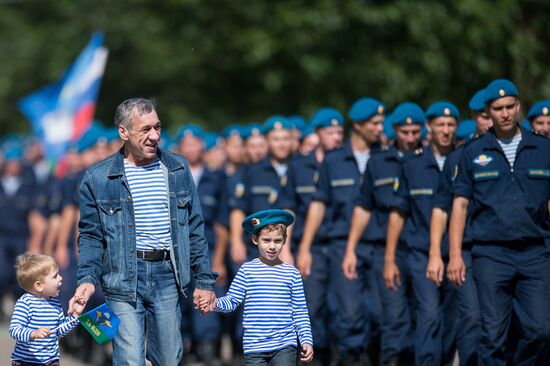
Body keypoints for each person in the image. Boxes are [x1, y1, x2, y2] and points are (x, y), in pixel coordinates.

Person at [70, 98, 217, 366]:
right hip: (122, 278)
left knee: (170, 359)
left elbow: (195, 229)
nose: (154, 136)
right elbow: (91, 235)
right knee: (129, 359)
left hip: (167, 276)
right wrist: (87, 278)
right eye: (145, 130)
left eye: (157, 128)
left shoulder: (177, 169)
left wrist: (205, 281)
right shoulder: (98, 178)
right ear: (123, 132)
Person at [448, 79, 550, 365]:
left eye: (509, 106)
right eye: (497, 108)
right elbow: (460, 205)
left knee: (541, 330)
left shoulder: (542, 149)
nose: (505, 113)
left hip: (534, 252)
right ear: (488, 112)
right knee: (492, 334)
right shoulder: (473, 152)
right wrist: (455, 254)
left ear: (518, 106)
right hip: (491, 254)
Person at [300, 97, 384, 365]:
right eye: (375, 123)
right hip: (342, 245)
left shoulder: (387, 156)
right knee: (349, 314)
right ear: (358, 126)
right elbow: (319, 204)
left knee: (382, 313)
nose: (380, 128)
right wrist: (304, 247)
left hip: (381, 245)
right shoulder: (334, 161)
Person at [342, 101, 423, 366]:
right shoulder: (380, 162)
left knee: (423, 316)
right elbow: (363, 207)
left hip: (423, 247)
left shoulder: (429, 158)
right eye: (404, 131)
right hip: (385, 250)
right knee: (390, 316)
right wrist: (350, 249)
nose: (410, 137)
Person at [385, 101, 459, 365]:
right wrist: (390, 258)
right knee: (429, 315)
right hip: (420, 253)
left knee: (454, 319)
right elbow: (398, 213)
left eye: (451, 124)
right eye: (440, 124)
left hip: (456, 254)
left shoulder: (464, 160)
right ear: (430, 128)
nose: (446, 130)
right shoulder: (412, 165)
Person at [200, 209, 314, 365]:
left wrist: (306, 340)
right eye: (266, 240)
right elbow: (232, 300)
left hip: (285, 345)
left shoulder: (292, 273)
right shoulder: (247, 271)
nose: (272, 246)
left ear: (285, 240)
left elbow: (300, 311)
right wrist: (215, 304)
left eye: (277, 240)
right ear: (255, 239)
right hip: (254, 346)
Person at [286, 106, 344, 365]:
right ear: (318, 133)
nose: (336, 137)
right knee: (312, 308)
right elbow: (289, 209)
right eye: (331, 132)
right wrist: (287, 249)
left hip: (341, 244)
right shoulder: (299, 166)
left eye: (340, 132)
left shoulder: (347, 162)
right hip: (311, 248)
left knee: (344, 307)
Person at [9, 252, 84, 365]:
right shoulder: (25, 303)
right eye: (55, 276)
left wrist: (75, 316)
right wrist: (33, 333)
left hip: (51, 361)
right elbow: (14, 330)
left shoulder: (55, 303)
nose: (61, 278)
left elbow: (58, 331)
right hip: (26, 361)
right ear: (39, 286)